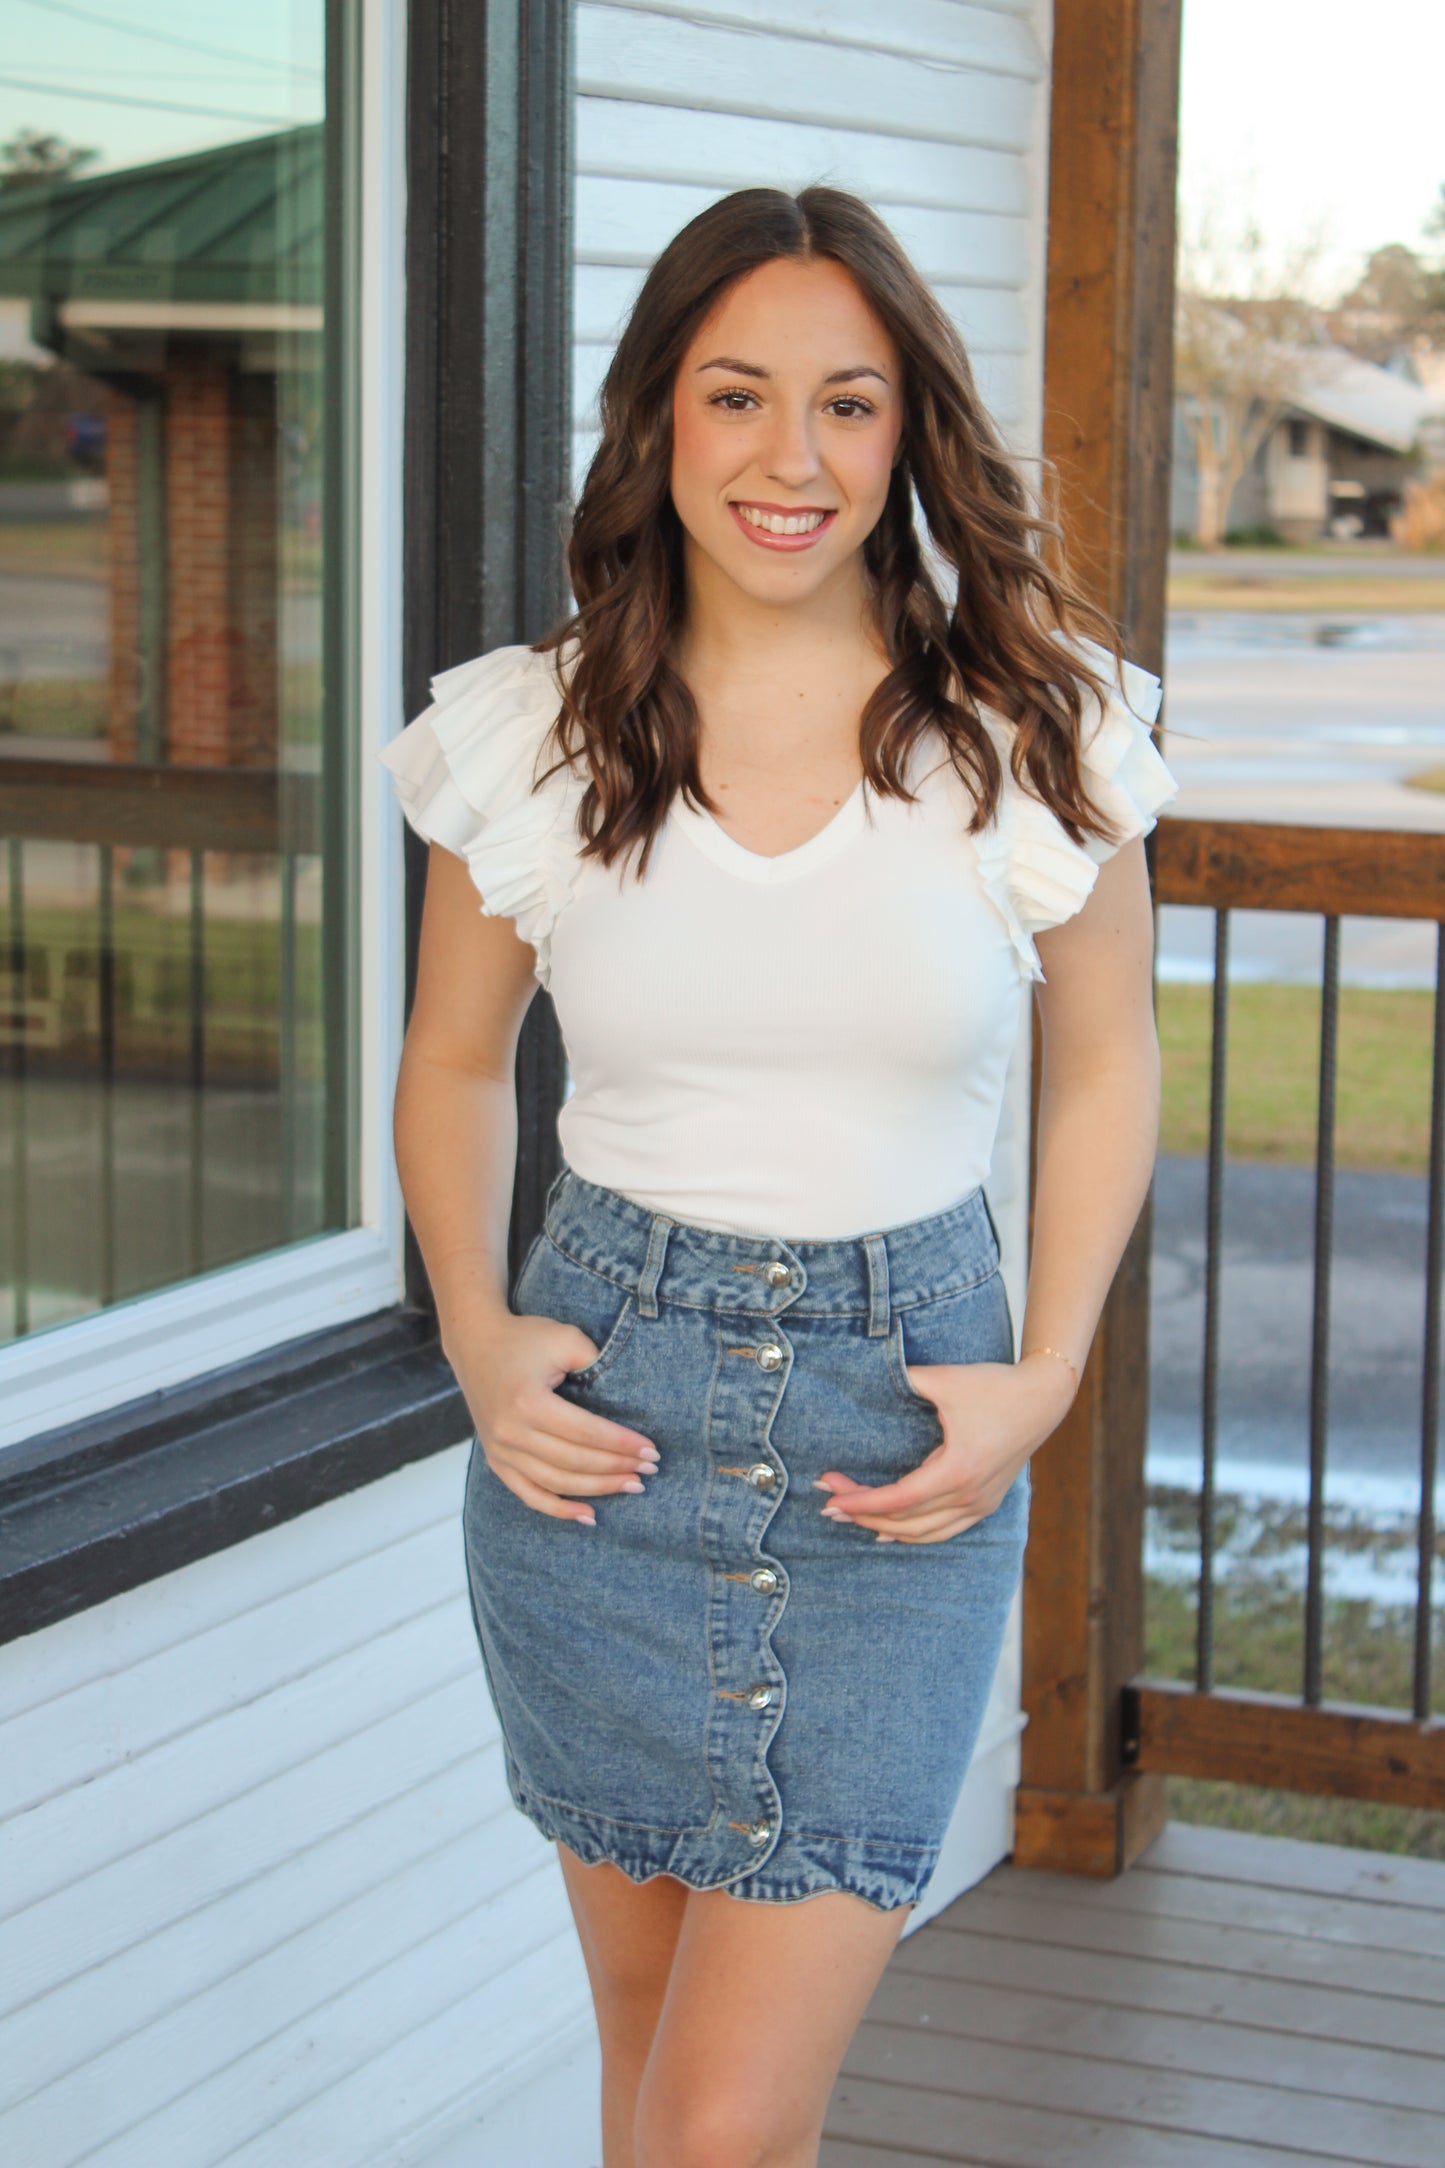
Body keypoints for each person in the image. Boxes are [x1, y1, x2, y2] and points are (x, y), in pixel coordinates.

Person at [380, 186, 1174, 2168]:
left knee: (724, 2122)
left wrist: (1052, 1365)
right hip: (605, 1439)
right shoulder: (537, 730)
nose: (790, 458)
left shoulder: (1031, 725)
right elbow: (456, 1060)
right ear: (662, 419)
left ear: (911, 433)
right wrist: (480, 1333)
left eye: (848, 403)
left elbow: (1108, 1058)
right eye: (738, 398)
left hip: (895, 1443)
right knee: (653, 2072)